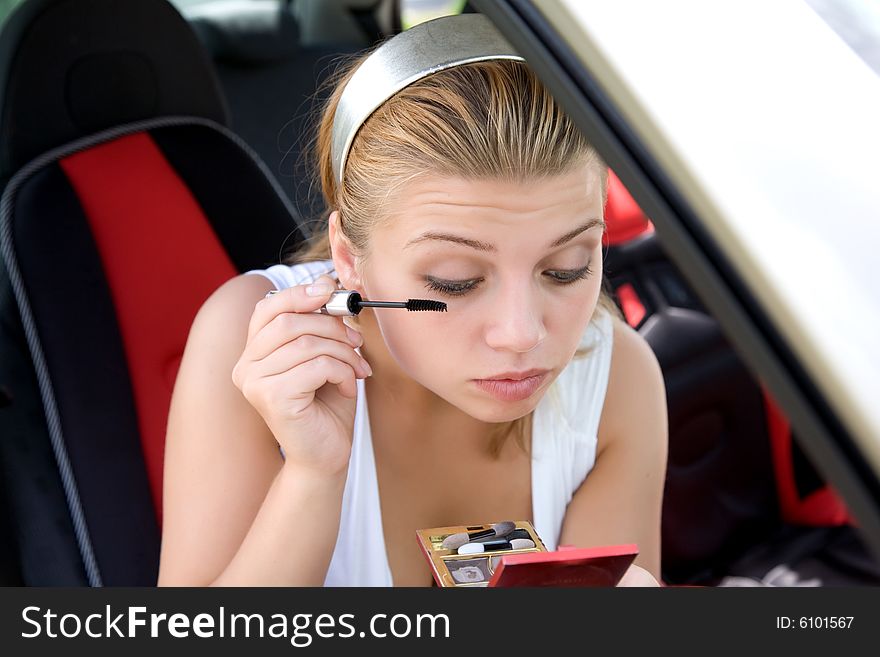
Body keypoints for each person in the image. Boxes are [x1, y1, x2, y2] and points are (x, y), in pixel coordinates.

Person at [157, 13, 667, 587]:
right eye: (455, 281)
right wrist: (312, 476)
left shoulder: (616, 378)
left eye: (565, 269)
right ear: (349, 258)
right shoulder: (249, 339)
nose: (522, 333)